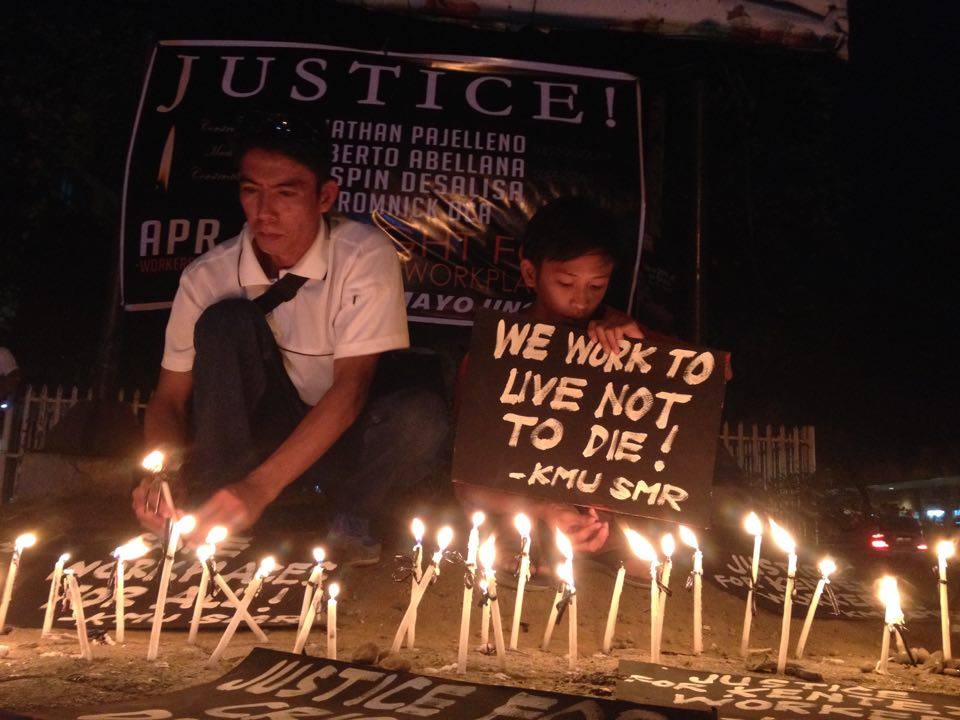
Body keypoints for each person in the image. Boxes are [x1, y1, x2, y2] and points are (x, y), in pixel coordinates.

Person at [132, 113, 447, 565]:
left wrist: (259, 488)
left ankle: (351, 513)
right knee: (226, 322)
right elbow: (168, 399)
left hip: (342, 432)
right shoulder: (206, 277)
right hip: (261, 434)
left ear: (325, 197)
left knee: (420, 418)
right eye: (250, 191)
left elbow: (352, 388)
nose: (265, 212)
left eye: (285, 192)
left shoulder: (364, 254)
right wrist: (164, 473)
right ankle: (217, 502)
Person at [456, 197, 733, 563]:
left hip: (614, 518)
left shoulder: (616, 334)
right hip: (528, 514)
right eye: (566, 283)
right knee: (514, 547)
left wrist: (642, 352)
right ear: (529, 273)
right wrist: (546, 509)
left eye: (597, 286)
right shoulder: (494, 357)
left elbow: (715, 376)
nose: (580, 301)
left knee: (663, 549)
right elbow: (468, 484)